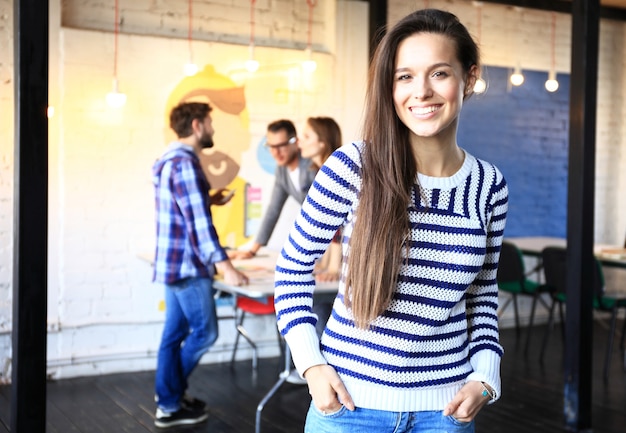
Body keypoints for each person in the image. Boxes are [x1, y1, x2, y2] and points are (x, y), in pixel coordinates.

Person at [274, 9, 508, 433]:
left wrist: (485, 377)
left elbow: (483, 296)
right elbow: (291, 272)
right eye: (404, 77)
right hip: (348, 409)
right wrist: (310, 365)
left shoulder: (489, 185)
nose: (421, 92)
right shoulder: (352, 167)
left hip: (446, 413)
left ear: (469, 78)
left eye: (439, 73)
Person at [152, 102, 249, 428]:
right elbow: (198, 225)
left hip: (172, 263)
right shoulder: (186, 165)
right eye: (209, 123)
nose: (212, 129)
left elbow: (184, 205)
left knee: (174, 334)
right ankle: (168, 398)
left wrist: (209, 198)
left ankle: (169, 398)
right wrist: (227, 266)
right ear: (196, 125)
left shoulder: (168, 160)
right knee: (205, 333)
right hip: (189, 266)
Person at [228, 119, 316, 259]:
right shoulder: (282, 171)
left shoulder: (312, 164)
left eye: (281, 145)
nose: (275, 152)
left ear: (295, 141)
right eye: (271, 146)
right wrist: (252, 251)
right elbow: (273, 210)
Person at [298, 116, 344, 283]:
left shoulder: (336, 172)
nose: (299, 141)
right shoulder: (321, 171)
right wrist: (324, 264)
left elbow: (339, 224)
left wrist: (333, 268)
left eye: (307, 137)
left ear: (323, 142)